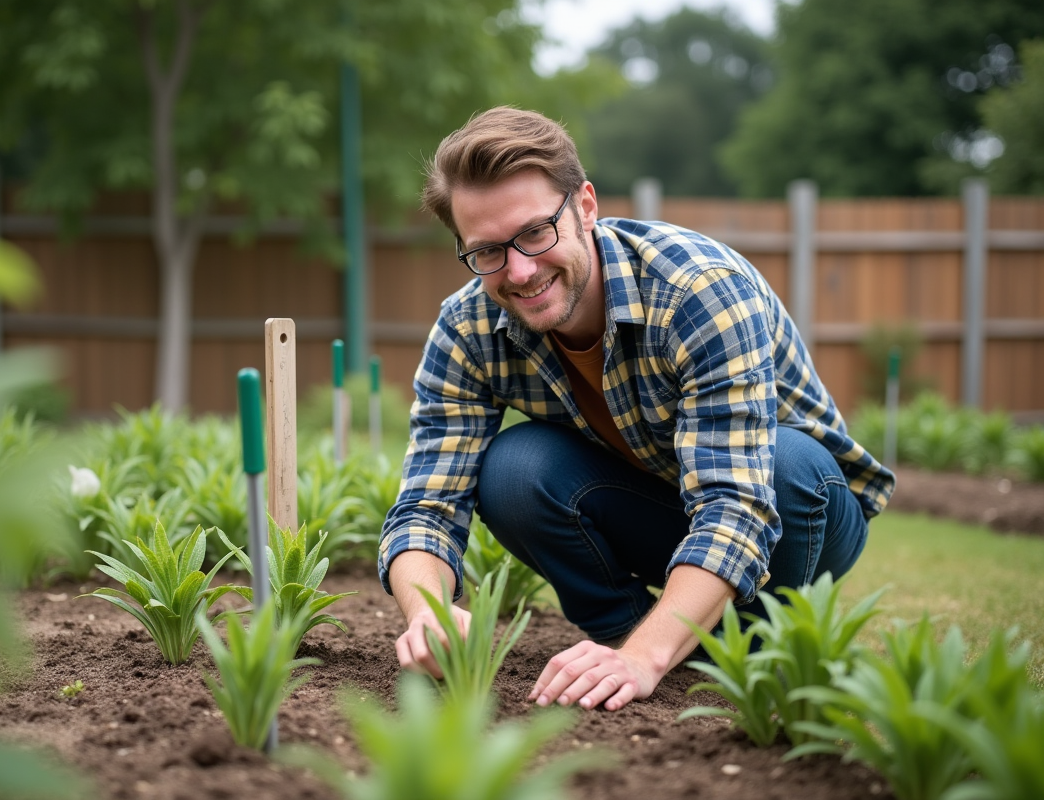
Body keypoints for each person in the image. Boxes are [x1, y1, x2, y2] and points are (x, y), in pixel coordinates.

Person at [378, 106, 895, 712]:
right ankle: (627, 638)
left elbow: (738, 506)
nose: (519, 270)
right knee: (514, 469)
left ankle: (713, 647)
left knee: (787, 463)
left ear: (586, 206)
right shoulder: (467, 328)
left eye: (536, 232)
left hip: (795, 515)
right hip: (664, 506)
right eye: (487, 251)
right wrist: (430, 615)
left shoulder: (698, 291)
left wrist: (647, 656)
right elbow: (426, 505)